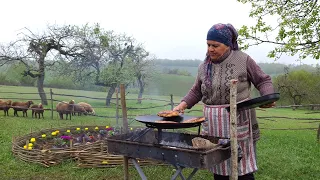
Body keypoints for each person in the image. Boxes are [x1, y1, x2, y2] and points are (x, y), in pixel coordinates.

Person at [173, 23, 276, 180]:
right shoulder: (203, 66)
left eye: (215, 45)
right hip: (213, 123)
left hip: (238, 118)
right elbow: (196, 91)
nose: (210, 49)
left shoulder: (243, 60)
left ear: (228, 45)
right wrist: (182, 105)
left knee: (242, 169)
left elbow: (263, 80)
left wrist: (268, 96)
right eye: (208, 45)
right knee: (218, 163)